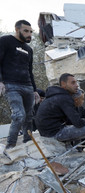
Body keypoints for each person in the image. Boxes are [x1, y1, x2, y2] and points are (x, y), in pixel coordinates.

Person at [0, 20, 40, 148]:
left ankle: (28, 144)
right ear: (17, 30)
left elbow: (30, 71)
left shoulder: (29, 49)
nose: (29, 34)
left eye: (30, 32)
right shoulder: (5, 41)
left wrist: (35, 90)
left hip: (27, 86)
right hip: (11, 85)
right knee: (19, 115)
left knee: (29, 117)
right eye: (26, 31)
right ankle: (10, 146)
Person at [35, 73, 85, 144]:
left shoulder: (55, 95)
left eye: (76, 82)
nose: (77, 85)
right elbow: (78, 123)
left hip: (47, 132)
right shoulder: (64, 98)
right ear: (63, 84)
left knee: (74, 127)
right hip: (54, 133)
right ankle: (78, 149)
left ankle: (76, 148)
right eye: (73, 83)